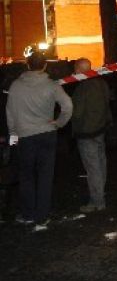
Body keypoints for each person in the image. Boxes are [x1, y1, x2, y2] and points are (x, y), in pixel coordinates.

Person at [6, 51, 72, 231]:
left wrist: (13, 135)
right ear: (45, 65)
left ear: (27, 65)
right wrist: (59, 122)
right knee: (45, 175)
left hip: (25, 136)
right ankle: (42, 215)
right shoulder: (52, 85)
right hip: (47, 134)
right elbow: (68, 105)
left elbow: (10, 113)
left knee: (26, 175)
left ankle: (28, 214)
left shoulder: (16, 86)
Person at [71, 58, 111, 213]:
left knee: (92, 168)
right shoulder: (101, 83)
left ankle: (97, 201)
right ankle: (101, 192)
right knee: (101, 163)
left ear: (79, 70)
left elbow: (77, 112)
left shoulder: (82, 87)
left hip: (86, 132)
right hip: (100, 129)